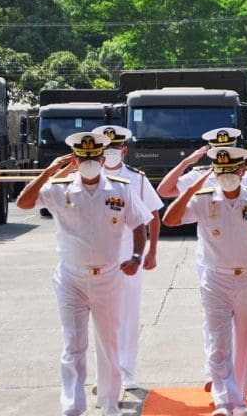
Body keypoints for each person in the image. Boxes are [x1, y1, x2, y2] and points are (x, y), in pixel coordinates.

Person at [16, 132, 153, 416]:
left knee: (109, 344)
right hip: (71, 279)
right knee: (73, 345)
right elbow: (24, 203)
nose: (89, 162)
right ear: (75, 160)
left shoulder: (120, 188)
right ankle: (72, 407)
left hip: (108, 278)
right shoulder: (59, 188)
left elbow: (139, 224)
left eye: (94, 157)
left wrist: (137, 256)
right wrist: (49, 171)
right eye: (83, 158)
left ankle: (110, 405)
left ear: (103, 159)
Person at [162, 146, 247, 416]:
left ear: (242, 171)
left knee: (245, 342)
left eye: (232, 171)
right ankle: (222, 401)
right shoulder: (203, 198)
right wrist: (191, 189)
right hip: (215, 279)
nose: (227, 176)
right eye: (221, 172)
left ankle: (239, 400)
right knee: (218, 342)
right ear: (214, 173)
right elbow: (169, 220)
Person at [156, 127, 247, 393]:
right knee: (215, 319)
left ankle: (234, 374)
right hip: (209, 257)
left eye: (228, 149)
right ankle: (214, 371)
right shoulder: (200, 175)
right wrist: (188, 161)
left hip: (241, 255)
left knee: (240, 321)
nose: (223, 154)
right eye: (217, 150)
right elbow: (165, 189)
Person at [91, 125, 163, 390]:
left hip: (129, 253)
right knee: (101, 314)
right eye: (106, 149)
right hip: (98, 255)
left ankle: (126, 369)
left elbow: (153, 215)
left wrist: (151, 251)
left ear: (123, 150)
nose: (110, 154)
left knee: (128, 313)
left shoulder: (137, 179)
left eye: (115, 149)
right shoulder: (89, 177)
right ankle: (105, 372)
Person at [156, 127, 247, 199]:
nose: (224, 152)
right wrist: (186, 162)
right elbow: (164, 191)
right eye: (218, 149)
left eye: (229, 147)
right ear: (210, 151)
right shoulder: (199, 176)